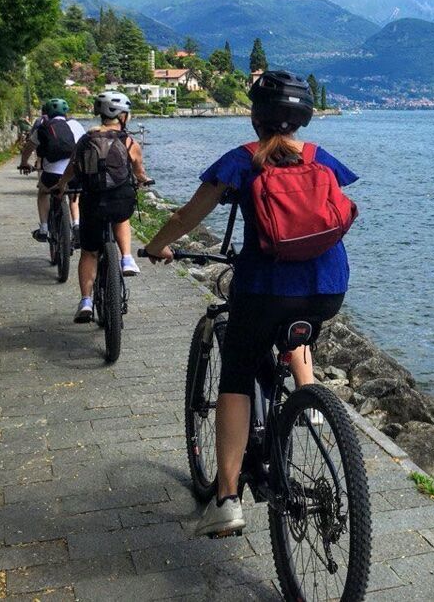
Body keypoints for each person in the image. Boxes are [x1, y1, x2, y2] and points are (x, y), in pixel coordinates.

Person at [141, 70, 358, 538]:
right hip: (328, 288)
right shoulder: (321, 158)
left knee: (237, 373)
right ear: (302, 118)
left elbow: (186, 216)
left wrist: (156, 245)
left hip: (264, 289)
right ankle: (308, 399)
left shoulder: (242, 161)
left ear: (256, 116)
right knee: (296, 327)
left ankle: (226, 499)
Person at [55, 91, 150, 323]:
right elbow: (139, 170)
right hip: (119, 199)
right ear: (123, 116)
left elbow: (71, 168)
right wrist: (142, 180)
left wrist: (61, 185)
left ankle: (86, 301)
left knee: (88, 252)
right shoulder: (129, 141)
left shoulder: (86, 140)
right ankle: (126, 257)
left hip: (92, 201)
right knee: (122, 216)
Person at [19, 98, 85, 246]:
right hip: (74, 173)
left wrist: (24, 163)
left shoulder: (44, 126)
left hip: (52, 174)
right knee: (74, 196)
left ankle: (43, 228)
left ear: (47, 113)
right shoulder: (76, 125)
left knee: (43, 192)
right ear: (66, 112)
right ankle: (76, 224)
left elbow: (28, 148)